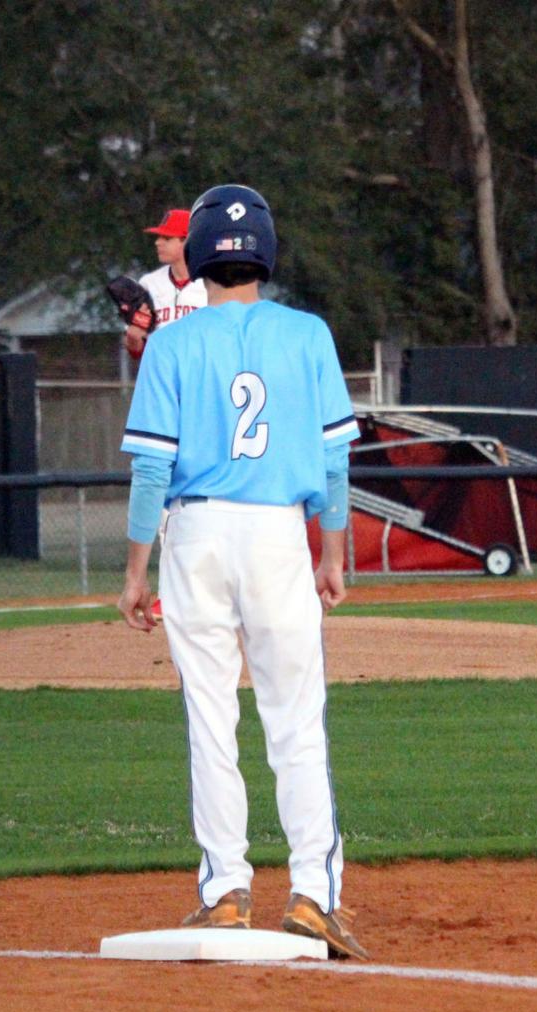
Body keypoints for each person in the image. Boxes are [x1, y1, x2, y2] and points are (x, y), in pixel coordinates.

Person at [116, 184, 367, 959]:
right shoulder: (308, 333)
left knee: (210, 718)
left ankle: (225, 889)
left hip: (196, 535)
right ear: (266, 250)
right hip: (276, 536)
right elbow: (332, 458)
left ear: (195, 260)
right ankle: (314, 898)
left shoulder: (171, 342)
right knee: (295, 720)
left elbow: (151, 471)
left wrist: (135, 569)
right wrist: (331, 549)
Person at [123, 208, 207, 359]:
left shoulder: (212, 283)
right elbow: (136, 352)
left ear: (188, 241)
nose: (157, 242)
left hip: (201, 373)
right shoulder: (148, 283)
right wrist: (133, 338)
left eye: (167, 238)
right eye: (159, 237)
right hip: (162, 374)